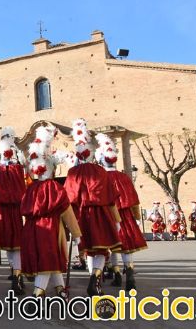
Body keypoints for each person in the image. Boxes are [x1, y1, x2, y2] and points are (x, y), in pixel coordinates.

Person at [21, 126, 81, 299]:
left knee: (50, 260)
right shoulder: (53, 187)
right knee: (48, 259)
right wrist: (77, 234)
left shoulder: (30, 189)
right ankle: (37, 294)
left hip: (31, 230)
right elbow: (66, 210)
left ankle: (60, 289)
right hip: (50, 229)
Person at [64, 119, 121, 297]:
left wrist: (68, 222)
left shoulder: (72, 173)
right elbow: (111, 198)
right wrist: (117, 220)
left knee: (88, 249)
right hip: (101, 214)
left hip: (81, 215)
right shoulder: (101, 171)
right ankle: (95, 278)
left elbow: (69, 198)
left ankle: (93, 277)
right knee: (101, 249)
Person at [95, 133, 147, 291]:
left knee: (110, 246)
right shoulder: (123, 177)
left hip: (108, 215)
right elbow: (133, 198)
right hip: (125, 216)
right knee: (126, 246)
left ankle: (116, 274)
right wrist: (137, 217)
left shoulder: (101, 177)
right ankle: (129, 273)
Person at [0, 127, 27, 295]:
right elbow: (23, 189)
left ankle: (16, 275)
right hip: (15, 211)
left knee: (12, 247)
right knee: (15, 246)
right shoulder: (18, 169)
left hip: (2, 212)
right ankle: (17, 276)